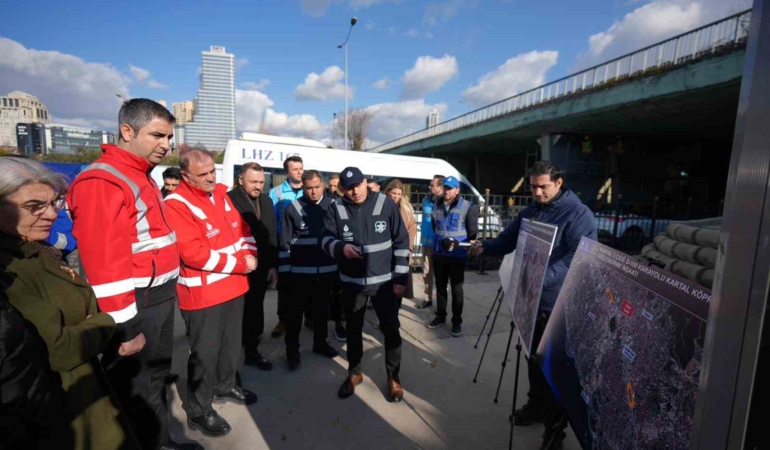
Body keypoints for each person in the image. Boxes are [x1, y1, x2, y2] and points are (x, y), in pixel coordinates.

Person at [68, 99, 190, 450]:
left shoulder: (141, 175)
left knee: (155, 379)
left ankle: (161, 441)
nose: (165, 144)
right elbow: (104, 266)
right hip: (136, 306)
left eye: (169, 137)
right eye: (157, 135)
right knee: (135, 390)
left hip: (158, 298)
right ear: (127, 131)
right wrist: (126, 328)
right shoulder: (103, 180)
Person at [0, 157, 140, 450]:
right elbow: (61, 350)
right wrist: (105, 321)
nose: (51, 214)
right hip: (60, 412)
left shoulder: (37, 246)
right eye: (34, 206)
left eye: (54, 203)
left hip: (83, 392)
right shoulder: (9, 269)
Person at [469, 161, 597, 450]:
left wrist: (541, 278)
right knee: (532, 361)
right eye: (533, 187)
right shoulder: (530, 211)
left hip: (559, 305)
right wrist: (485, 246)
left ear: (559, 182)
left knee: (553, 370)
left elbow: (579, 257)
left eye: (543, 187)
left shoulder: (577, 214)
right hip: (529, 300)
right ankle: (536, 406)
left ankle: (554, 432)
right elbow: (507, 240)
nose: (538, 192)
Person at [164, 149, 258, 437]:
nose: (210, 178)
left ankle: (225, 385)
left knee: (231, 345)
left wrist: (251, 253)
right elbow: (194, 254)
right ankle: (199, 410)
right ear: (185, 176)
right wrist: (242, 264)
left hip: (234, 287)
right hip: (203, 296)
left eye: (212, 171)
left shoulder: (220, 193)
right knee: (204, 355)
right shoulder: (176, 204)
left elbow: (242, 230)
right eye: (202, 174)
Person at [321, 167, 410, 402]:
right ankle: (354, 373)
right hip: (352, 284)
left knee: (391, 330)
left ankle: (393, 377)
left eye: (358, 185)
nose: (355, 191)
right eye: (349, 188)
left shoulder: (385, 203)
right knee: (353, 330)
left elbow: (402, 240)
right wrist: (341, 248)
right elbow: (325, 239)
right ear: (342, 189)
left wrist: (401, 278)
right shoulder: (336, 207)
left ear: (365, 183)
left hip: (384, 284)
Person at [281, 170, 341, 370]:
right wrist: (285, 274)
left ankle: (320, 344)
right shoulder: (293, 208)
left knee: (322, 312)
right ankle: (292, 352)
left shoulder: (335, 207)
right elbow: (284, 243)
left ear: (323, 186)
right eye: (309, 188)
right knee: (294, 315)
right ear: (303, 188)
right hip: (299, 273)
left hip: (327, 272)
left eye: (317, 187)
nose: (313, 192)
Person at [228, 162, 277, 371]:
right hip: (238, 269)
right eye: (253, 182)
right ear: (241, 180)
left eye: (261, 182)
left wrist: (273, 265)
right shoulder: (228, 200)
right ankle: (230, 363)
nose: (258, 186)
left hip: (262, 268)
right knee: (236, 314)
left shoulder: (266, 201)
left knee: (256, 310)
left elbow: (271, 233)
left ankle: (252, 351)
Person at [426, 176, 478, 337]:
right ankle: (441, 316)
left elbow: (472, 234)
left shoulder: (467, 207)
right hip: (439, 254)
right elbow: (435, 227)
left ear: (457, 190)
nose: (447, 191)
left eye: (450, 188)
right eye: (445, 188)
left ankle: (456, 321)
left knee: (457, 290)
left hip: (457, 256)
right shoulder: (437, 205)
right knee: (440, 288)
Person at [269, 155, 305, 338]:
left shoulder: (309, 189)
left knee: (307, 284)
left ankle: (310, 318)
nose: (299, 172)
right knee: (284, 286)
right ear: (287, 172)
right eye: (295, 169)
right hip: (284, 247)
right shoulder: (276, 193)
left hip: (306, 246)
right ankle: (282, 320)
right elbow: (271, 220)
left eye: (301, 168)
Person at [385, 179, 417, 307]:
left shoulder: (406, 208)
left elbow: (412, 229)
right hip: (385, 252)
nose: (396, 196)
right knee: (385, 287)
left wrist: (409, 249)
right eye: (393, 193)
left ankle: (395, 312)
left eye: (399, 194)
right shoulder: (381, 205)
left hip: (401, 251)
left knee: (399, 284)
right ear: (388, 191)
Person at [415, 175, 445, 310]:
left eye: (432, 185)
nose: (429, 187)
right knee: (426, 273)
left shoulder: (445, 203)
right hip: (426, 243)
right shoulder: (426, 200)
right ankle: (427, 299)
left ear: (441, 187)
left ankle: (441, 304)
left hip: (439, 245)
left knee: (440, 275)